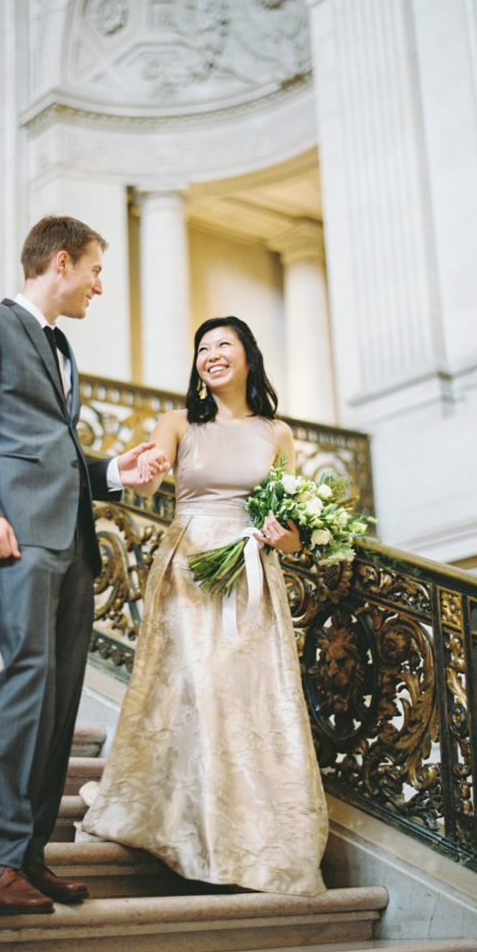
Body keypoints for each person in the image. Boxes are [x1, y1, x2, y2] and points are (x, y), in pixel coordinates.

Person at [0, 215, 168, 915]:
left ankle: (30, 854)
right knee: (29, 680)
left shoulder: (60, 347)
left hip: (70, 541)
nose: (100, 286)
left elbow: (53, 455)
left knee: (62, 696)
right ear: (61, 262)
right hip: (16, 535)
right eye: (96, 271)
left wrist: (115, 472)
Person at [80, 316, 328, 897]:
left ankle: (249, 842)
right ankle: (185, 829)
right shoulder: (177, 423)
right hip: (189, 567)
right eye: (202, 348)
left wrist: (280, 534)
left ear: (248, 356)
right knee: (197, 689)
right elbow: (147, 480)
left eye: (223, 345)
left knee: (245, 700)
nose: (211, 355)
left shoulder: (278, 434)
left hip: (250, 575)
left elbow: (294, 531)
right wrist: (146, 469)